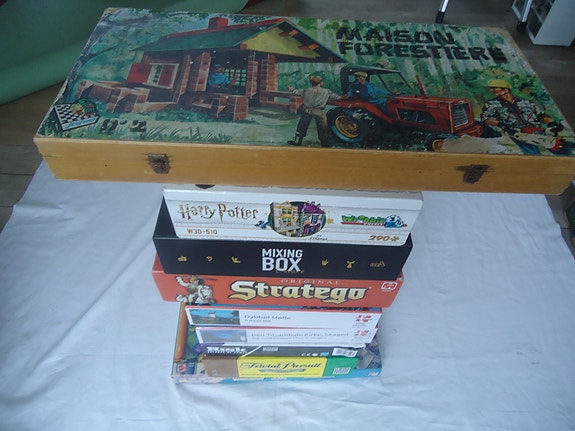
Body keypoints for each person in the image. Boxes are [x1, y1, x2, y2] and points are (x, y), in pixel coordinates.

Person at [481, 79, 565, 154]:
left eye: (495, 88)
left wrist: (551, 123)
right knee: (532, 154)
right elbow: (486, 119)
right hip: (517, 134)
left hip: (537, 130)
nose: (492, 90)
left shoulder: (526, 102)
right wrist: (500, 124)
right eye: (491, 88)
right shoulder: (491, 104)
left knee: (559, 148)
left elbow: (541, 115)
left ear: (506, 90)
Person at [287, 75, 341, 147]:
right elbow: (338, 97)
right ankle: (325, 144)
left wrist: (292, 89)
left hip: (307, 110)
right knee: (323, 128)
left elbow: (296, 92)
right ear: (320, 83)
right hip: (319, 111)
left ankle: (297, 141)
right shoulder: (327, 91)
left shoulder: (306, 90)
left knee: (302, 126)